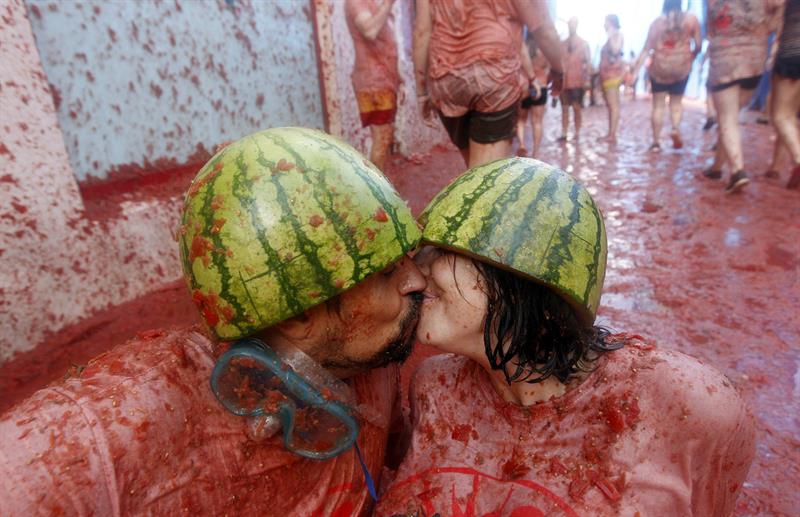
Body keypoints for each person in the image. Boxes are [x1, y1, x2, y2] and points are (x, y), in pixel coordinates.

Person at [0, 127, 428, 515]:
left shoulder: (371, 364)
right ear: (299, 314)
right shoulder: (118, 424)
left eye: (409, 258)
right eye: (387, 273)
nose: (418, 280)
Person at [375, 158, 756, 516]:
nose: (414, 272)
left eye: (440, 250)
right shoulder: (434, 387)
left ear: (526, 277)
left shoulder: (686, 406)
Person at [413, 0, 564, 169]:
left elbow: (422, 31)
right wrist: (558, 69)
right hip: (494, 77)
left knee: (474, 172)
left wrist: (421, 93)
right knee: (484, 181)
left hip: (446, 81)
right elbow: (544, 30)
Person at [703, 0, 783, 193]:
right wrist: (770, 28)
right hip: (754, 63)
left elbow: (711, 30)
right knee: (729, 116)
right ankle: (716, 167)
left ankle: (738, 171)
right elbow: (780, 6)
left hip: (725, 62)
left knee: (727, 118)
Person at [633, 0, 701, 152]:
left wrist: (635, 70)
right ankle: (675, 128)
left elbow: (646, 48)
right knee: (676, 103)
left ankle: (656, 142)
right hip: (681, 67)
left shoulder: (657, 23)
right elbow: (698, 45)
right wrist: (691, 57)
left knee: (658, 105)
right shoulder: (691, 20)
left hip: (659, 68)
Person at [346, 0, 400, 171]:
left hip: (382, 81)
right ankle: (377, 195)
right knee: (382, 139)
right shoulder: (356, 2)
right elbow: (370, 31)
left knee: (384, 138)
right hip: (374, 82)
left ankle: (383, 190)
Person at [770, 0, 800, 189]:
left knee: (780, 116)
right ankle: (776, 165)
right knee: (790, 115)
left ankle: (798, 158)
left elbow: (772, 21)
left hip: (792, 53)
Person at [516, 30, 550, 158]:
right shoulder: (544, 49)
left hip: (525, 86)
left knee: (521, 120)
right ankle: (536, 153)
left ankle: (522, 144)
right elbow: (548, 67)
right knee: (537, 122)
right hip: (541, 85)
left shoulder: (523, 47)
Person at [558, 17, 592, 142]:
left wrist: (587, 80)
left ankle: (577, 132)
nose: (571, 26)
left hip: (577, 81)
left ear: (577, 25)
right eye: (570, 24)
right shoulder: (562, 44)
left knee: (577, 107)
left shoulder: (583, 44)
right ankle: (564, 132)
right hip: (564, 81)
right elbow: (558, 62)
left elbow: (588, 63)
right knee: (564, 108)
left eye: (573, 24)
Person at [599, 14, 625, 143]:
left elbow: (615, 50)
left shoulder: (616, 35)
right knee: (611, 105)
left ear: (610, 22)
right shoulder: (614, 35)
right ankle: (610, 133)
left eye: (605, 22)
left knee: (613, 105)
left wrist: (610, 34)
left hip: (612, 75)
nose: (604, 25)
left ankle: (612, 134)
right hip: (607, 76)